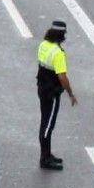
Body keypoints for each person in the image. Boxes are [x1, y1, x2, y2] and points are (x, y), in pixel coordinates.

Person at [35, 20, 77, 169]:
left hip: (42, 88)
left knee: (45, 121)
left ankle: (47, 154)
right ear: (61, 35)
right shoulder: (58, 53)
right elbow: (62, 77)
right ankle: (45, 158)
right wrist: (70, 93)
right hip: (52, 93)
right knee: (48, 126)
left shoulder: (43, 45)